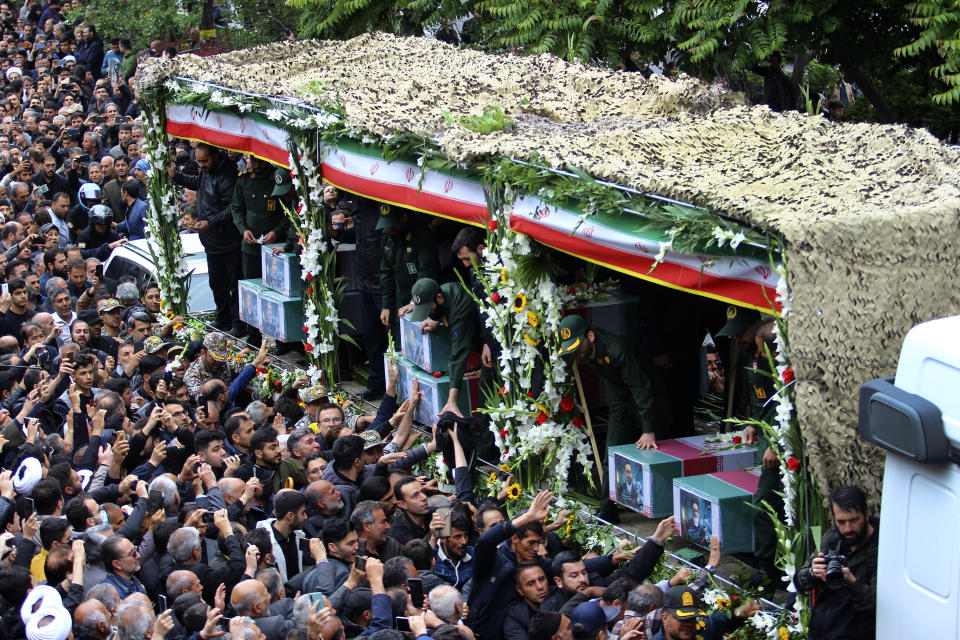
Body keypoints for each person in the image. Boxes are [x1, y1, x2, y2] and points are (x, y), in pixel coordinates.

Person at [556, 314, 657, 522]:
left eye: (578, 348)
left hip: (647, 392)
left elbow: (640, 387)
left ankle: (660, 506)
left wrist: (648, 429)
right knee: (612, 450)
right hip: (620, 396)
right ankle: (607, 511)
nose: (576, 355)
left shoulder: (616, 349)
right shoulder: (583, 353)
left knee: (657, 448)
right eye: (571, 351)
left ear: (590, 336)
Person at [169, 143, 242, 334]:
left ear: (215, 156)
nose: (200, 165)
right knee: (216, 283)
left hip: (228, 240)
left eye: (204, 161)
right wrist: (176, 175)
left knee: (233, 284)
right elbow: (197, 182)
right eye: (198, 161)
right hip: (210, 240)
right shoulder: (205, 171)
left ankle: (237, 323)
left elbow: (231, 209)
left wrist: (210, 222)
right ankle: (223, 318)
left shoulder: (227, 174)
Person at [795, 486, 878, 640]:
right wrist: (812, 573)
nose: (848, 528)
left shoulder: (882, 548)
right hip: (821, 630)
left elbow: (877, 607)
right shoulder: (834, 537)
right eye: (841, 522)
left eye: (854, 520)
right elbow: (800, 581)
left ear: (866, 515)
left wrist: (852, 582)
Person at [400, 277, 478, 418]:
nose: (427, 314)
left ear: (439, 298)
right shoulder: (443, 291)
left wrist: (452, 401)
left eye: (428, 309)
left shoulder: (459, 308)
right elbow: (441, 309)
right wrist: (435, 319)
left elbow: (458, 354)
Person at [650, 585, 759, 640]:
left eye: (692, 618)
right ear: (665, 619)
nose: (688, 624)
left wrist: (738, 612)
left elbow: (716, 621)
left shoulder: (699, 631)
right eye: (682, 619)